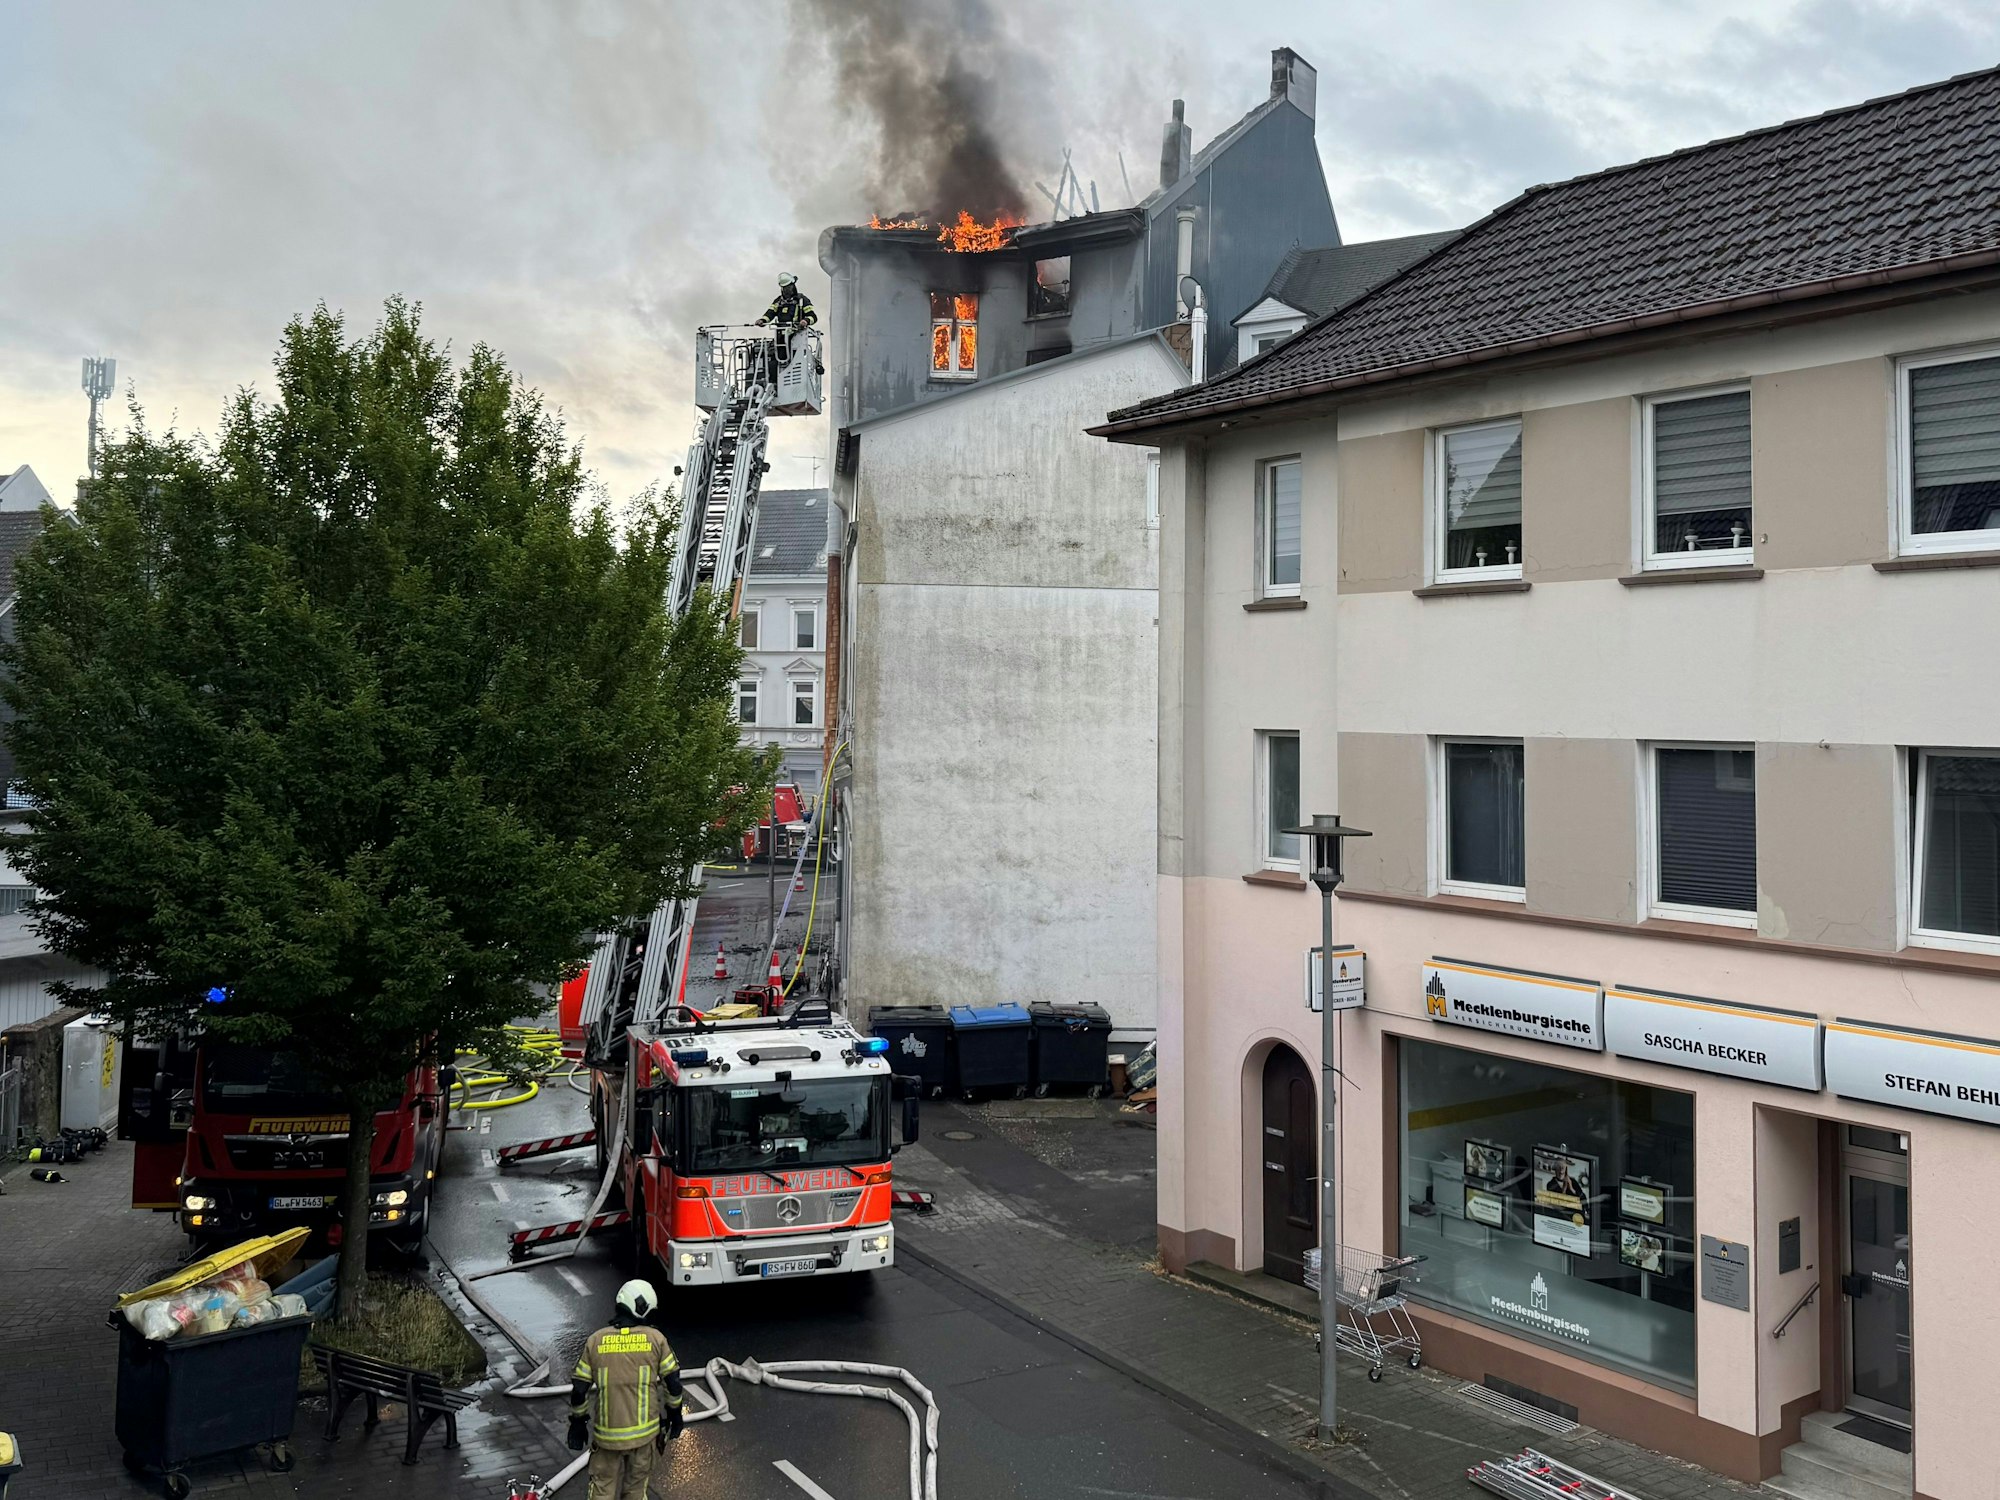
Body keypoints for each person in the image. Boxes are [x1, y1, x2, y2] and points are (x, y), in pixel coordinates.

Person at [568, 1279, 684, 1500]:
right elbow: (673, 1383)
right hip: (644, 1436)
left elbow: (579, 1390)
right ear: (643, 1309)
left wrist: (577, 1423)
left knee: (602, 1489)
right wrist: (675, 1416)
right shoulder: (656, 1340)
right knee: (635, 1491)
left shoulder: (596, 1341)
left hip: (606, 1437)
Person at [756, 272, 818, 364]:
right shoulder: (778, 301)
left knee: (791, 360)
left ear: (793, 286)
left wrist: (806, 321)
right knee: (776, 360)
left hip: (796, 336)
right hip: (780, 337)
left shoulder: (802, 300)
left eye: (788, 287)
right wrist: (762, 320)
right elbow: (770, 313)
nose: (786, 290)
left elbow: (813, 317)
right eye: (784, 287)